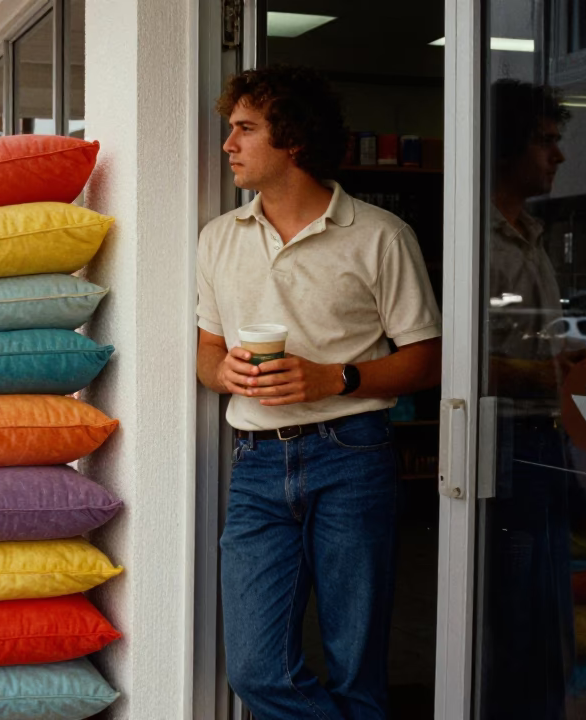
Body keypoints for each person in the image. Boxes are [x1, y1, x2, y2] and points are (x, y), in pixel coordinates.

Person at [196, 65, 442, 720]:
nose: (228, 145)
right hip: (256, 462)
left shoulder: (382, 236)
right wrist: (222, 374)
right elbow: (207, 349)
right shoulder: (218, 238)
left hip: (353, 455)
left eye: (245, 129)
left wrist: (337, 377)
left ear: (294, 140)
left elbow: (428, 361)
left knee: (356, 667)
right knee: (255, 671)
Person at [479, 78, 577, 720]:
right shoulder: (475, 240)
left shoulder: (533, 234)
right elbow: (456, 362)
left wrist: (562, 365)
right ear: (507, 146)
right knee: (513, 618)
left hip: (546, 442)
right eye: (545, 141)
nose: (558, 155)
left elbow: (530, 345)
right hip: (503, 446)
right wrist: (541, 376)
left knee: (546, 616)